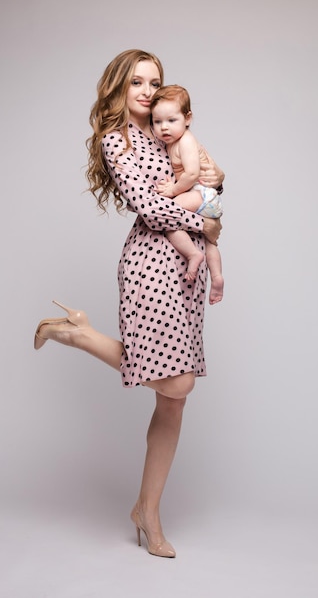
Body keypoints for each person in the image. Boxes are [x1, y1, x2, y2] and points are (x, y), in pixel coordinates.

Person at [34, 50, 224, 558]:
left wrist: (210, 194)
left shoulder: (172, 131)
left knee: (174, 397)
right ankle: (77, 333)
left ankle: (148, 510)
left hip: (186, 265)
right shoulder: (115, 140)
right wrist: (201, 211)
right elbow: (146, 203)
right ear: (119, 87)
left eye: (154, 82)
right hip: (150, 261)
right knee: (176, 377)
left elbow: (211, 182)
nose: (145, 90)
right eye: (136, 81)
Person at [150, 85, 224, 304]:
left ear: (187, 118)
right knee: (210, 241)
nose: (164, 128)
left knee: (169, 215)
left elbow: (191, 173)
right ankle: (217, 276)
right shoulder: (172, 141)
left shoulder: (186, 141)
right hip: (204, 197)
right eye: (157, 122)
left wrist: (172, 190)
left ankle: (193, 254)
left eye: (171, 120)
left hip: (201, 193)